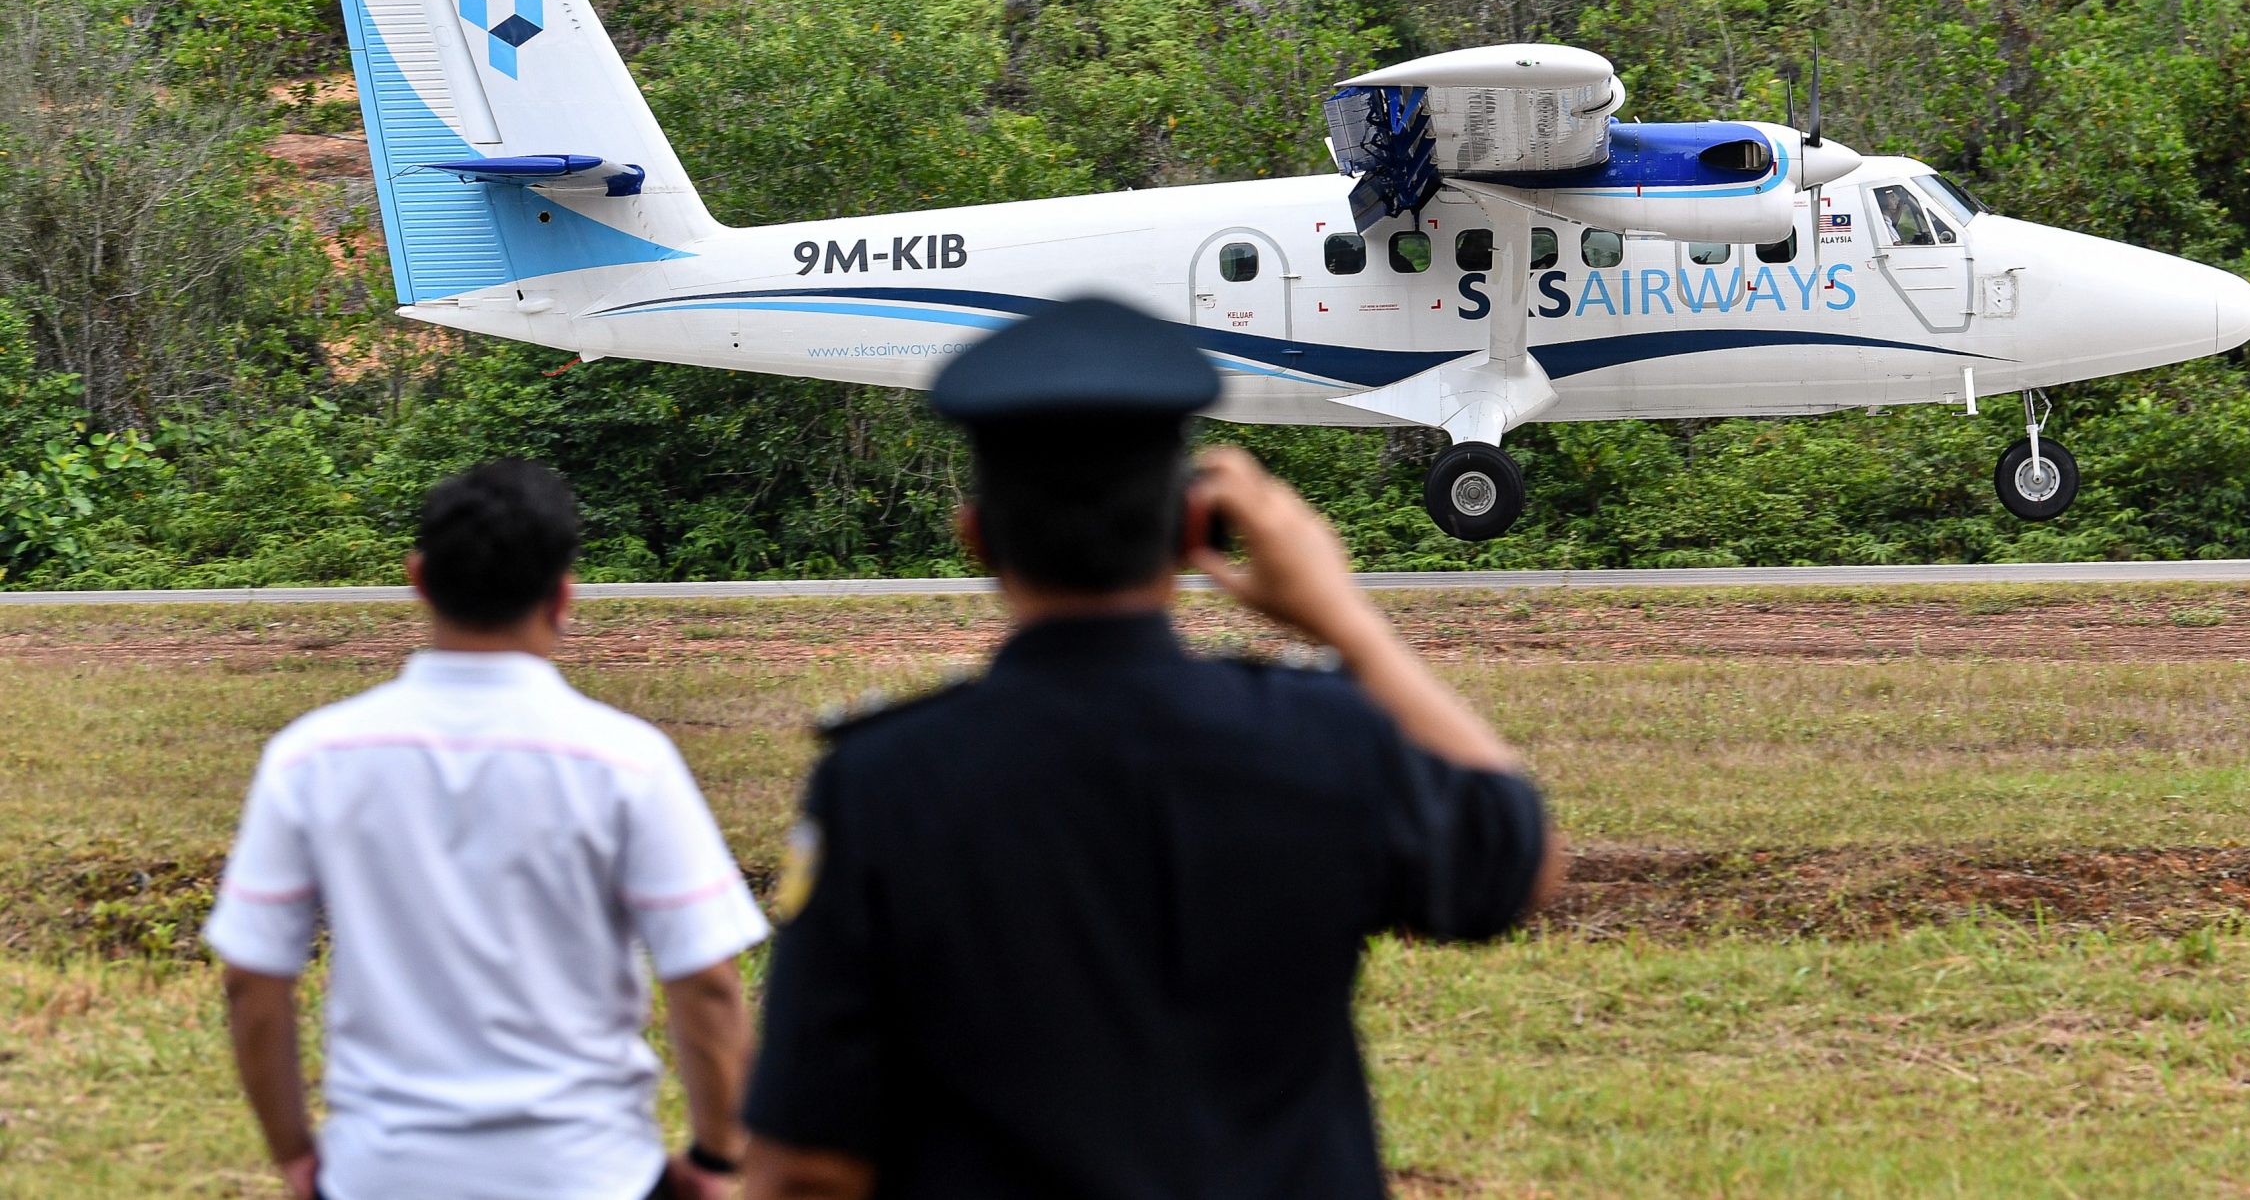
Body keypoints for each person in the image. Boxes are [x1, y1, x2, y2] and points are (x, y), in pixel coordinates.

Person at [741, 297, 1563, 1200]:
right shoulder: (1322, 734)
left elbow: (807, 1163)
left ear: (977, 539)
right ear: (1190, 533)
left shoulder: (883, 783)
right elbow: (1513, 863)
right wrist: (1345, 618)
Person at [205, 460, 770, 1200]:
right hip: (590, 1171)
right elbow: (705, 983)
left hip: (380, 1173)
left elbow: (252, 979)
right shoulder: (628, 760)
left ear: (418, 578)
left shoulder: (313, 756)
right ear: (564, 592)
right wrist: (718, 1155)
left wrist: (296, 1154)